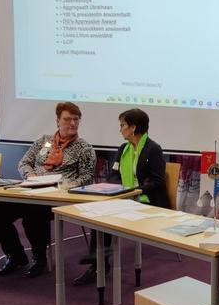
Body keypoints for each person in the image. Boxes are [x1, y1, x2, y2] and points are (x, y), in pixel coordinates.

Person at [0, 102, 96, 278]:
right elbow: (24, 163)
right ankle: (16, 256)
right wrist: (30, 176)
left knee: (33, 216)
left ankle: (39, 259)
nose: (72, 123)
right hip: (31, 191)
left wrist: (63, 185)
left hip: (57, 198)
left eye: (76, 119)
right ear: (58, 121)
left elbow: (87, 177)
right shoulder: (44, 141)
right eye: (67, 119)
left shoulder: (85, 148)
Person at [72, 108, 168, 286]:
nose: (120, 129)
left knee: (107, 214)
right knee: (99, 212)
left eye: (122, 125)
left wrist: (134, 191)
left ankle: (98, 262)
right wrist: (120, 190)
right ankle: (98, 262)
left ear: (133, 127)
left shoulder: (153, 149)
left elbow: (158, 182)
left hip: (148, 201)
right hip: (127, 198)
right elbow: (113, 176)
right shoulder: (124, 148)